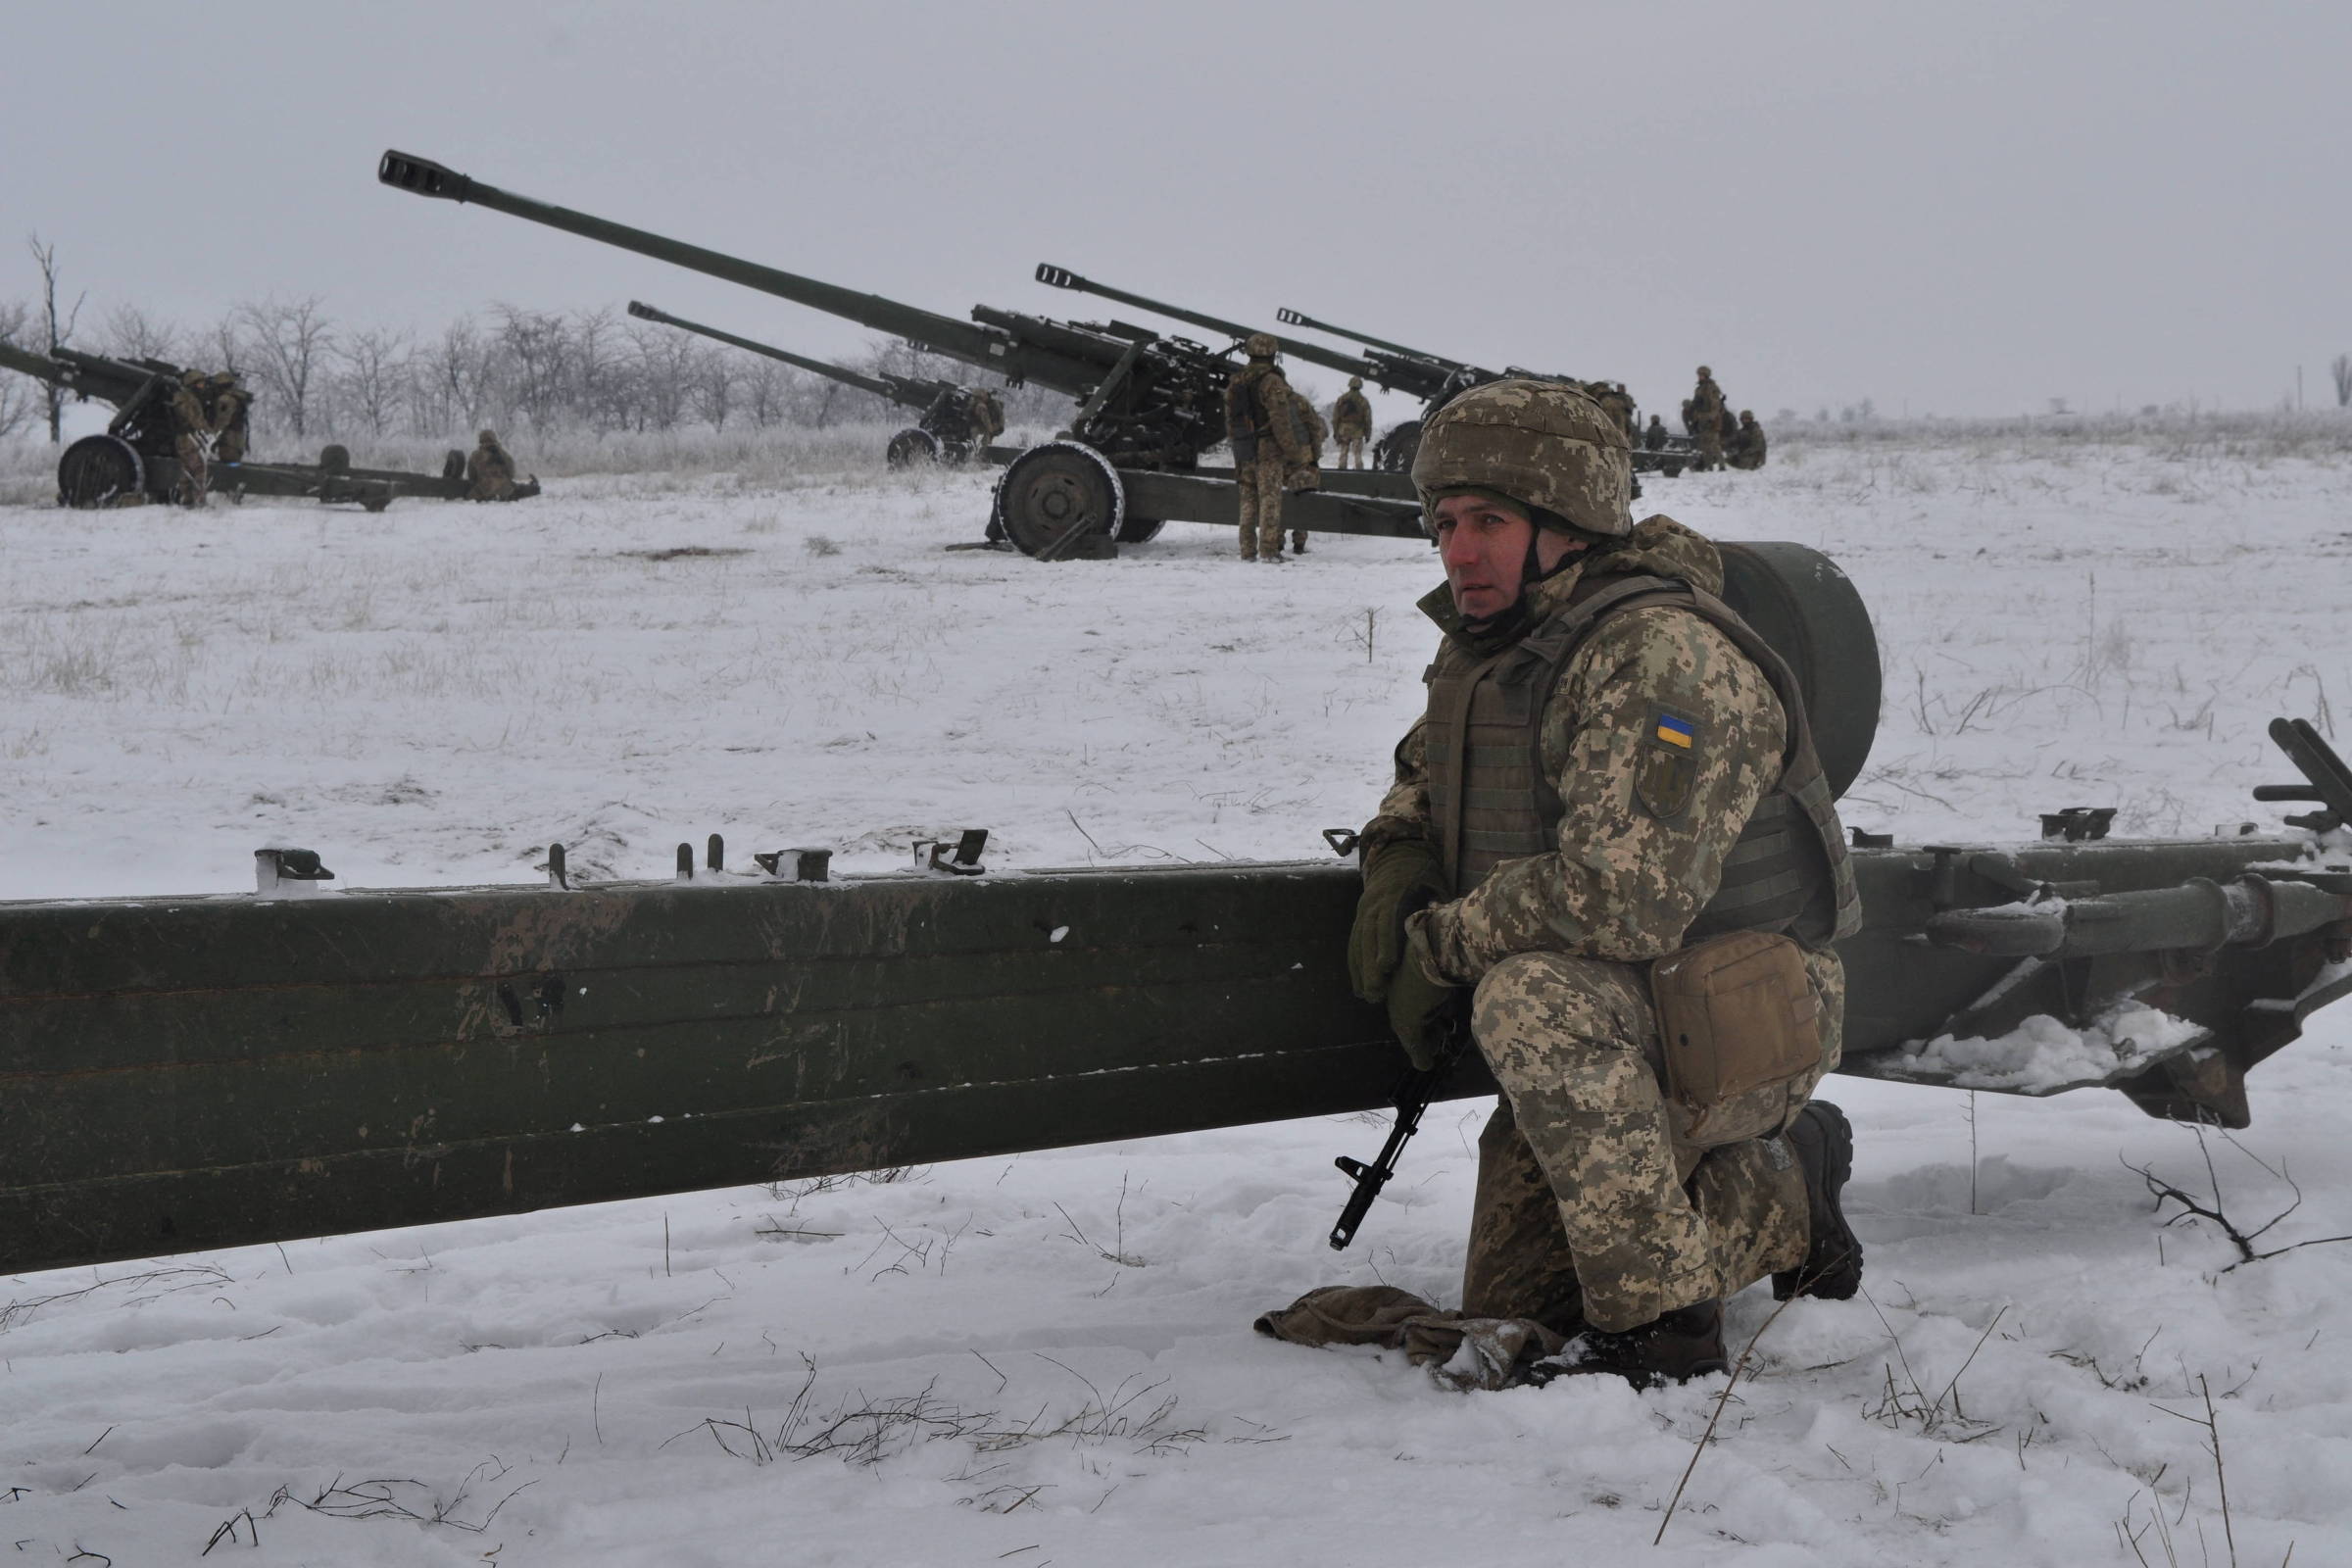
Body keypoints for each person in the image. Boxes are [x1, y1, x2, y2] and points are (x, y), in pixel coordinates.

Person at [1341, 378, 1862, 1389]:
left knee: (1527, 995)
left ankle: (1665, 1326)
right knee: (1519, 1297)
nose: (1458, 550)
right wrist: (1397, 872)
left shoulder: (1661, 656)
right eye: (1444, 522)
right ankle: (1784, 1198)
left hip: (1743, 1010)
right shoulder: (1492, 649)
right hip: (1631, 1025)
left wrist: (1441, 945)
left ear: (1569, 523)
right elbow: (1418, 785)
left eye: (1488, 521)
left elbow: (1625, 896)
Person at [1222, 333, 1312, 563]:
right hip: (1267, 449)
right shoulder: (1273, 381)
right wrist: (1292, 453)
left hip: (1243, 448)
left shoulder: (1237, 380)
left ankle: (1247, 551)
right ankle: (1269, 551)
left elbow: (1230, 419)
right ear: (1273, 353)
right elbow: (1281, 422)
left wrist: (1238, 444)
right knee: (1269, 500)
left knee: (1247, 501)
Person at [1288, 386, 1327, 556]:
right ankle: (1299, 544)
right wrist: (1315, 457)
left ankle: (1277, 542)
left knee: (1280, 497)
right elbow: (1316, 430)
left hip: (1279, 457)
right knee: (1303, 498)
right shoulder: (1301, 402)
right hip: (1304, 457)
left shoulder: (1270, 400)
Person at [168, 374, 212, 508]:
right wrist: (209, 431)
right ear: (192, 384)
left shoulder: (187, 397)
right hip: (187, 437)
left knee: (187, 469)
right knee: (199, 468)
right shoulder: (184, 398)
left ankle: (187, 500)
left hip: (187, 436)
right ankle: (198, 501)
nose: (203, 386)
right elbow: (193, 418)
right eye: (200, 383)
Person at [1688, 366, 1727, 470]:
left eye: (1702, 375)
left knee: (1714, 444)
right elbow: (1696, 404)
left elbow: (1715, 405)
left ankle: (1722, 465)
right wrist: (1695, 417)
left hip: (1711, 420)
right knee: (1704, 445)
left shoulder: (1711, 388)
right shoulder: (1699, 389)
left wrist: (1711, 418)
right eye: (1699, 375)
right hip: (1701, 419)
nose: (1700, 377)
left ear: (1707, 375)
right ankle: (1709, 466)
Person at [1332, 375, 1374, 469]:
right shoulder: (1363, 401)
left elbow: (1335, 418)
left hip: (1344, 430)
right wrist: (1368, 434)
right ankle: (1360, 472)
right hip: (1358, 430)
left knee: (1343, 452)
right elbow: (1368, 419)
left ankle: (1341, 471)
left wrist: (1335, 432)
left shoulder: (1342, 399)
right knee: (1357, 454)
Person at [466, 428, 519, 501]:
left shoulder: (475, 455)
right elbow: (512, 473)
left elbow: (472, 477)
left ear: (481, 441)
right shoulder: (504, 454)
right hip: (505, 491)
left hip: (483, 492)